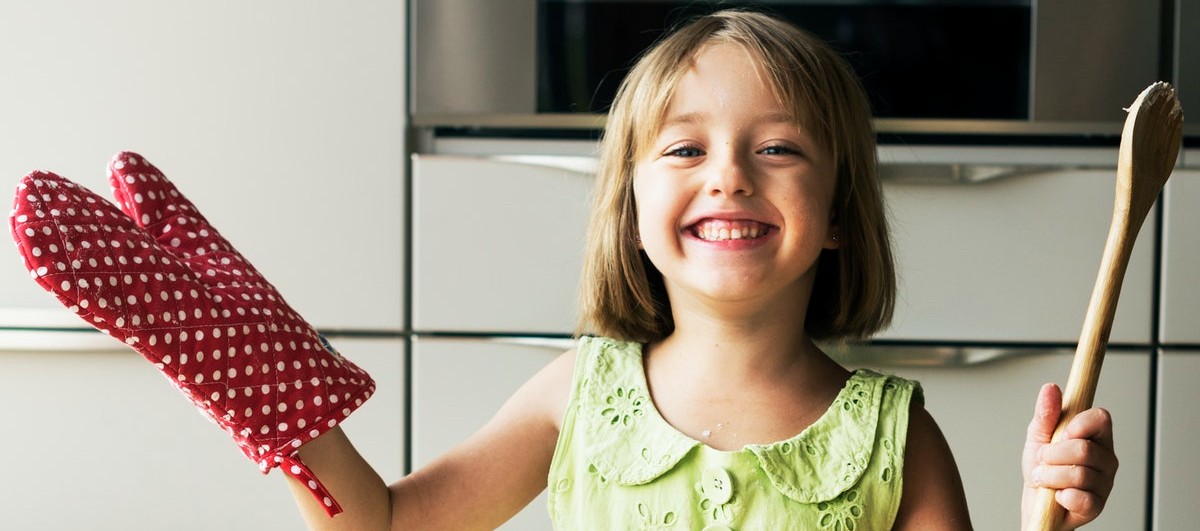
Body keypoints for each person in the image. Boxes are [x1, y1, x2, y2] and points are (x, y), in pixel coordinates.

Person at [9, 8, 1116, 531]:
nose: (728, 176)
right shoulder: (581, 396)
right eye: (683, 151)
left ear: (837, 217)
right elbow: (388, 528)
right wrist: (281, 401)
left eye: (777, 149)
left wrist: (1043, 512)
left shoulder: (893, 434)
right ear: (632, 215)